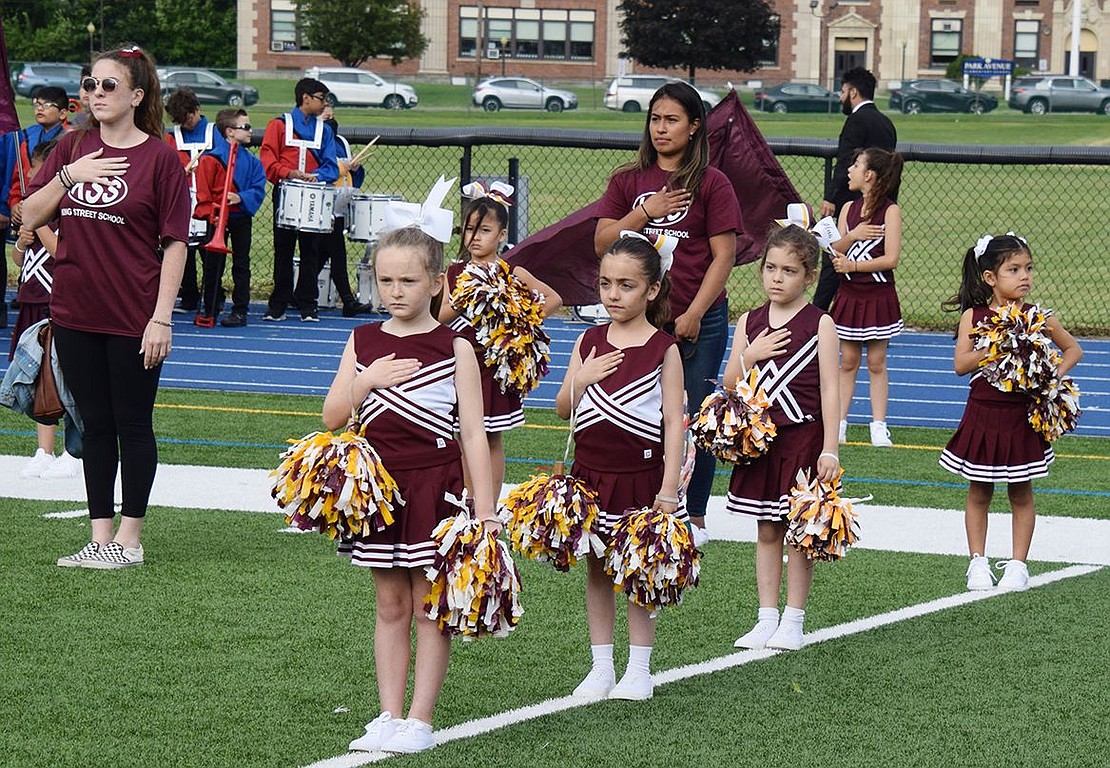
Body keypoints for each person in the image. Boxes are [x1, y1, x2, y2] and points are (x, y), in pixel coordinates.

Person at [325, 224, 498, 755]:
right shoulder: (363, 340)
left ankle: (420, 718)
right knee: (389, 605)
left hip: (437, 488)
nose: (395, 291)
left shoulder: (456, 347)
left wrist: (486, 511)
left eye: (407, 280)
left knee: (429, 606)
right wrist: (365, 381)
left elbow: (473, 432)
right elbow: (333, 417)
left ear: (438, 282)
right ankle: (387, 713)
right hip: (380, 492)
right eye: (385, 280)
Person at [22, 44, 191, 569]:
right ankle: (101, 538)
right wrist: (71, 180)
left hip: (135, 316)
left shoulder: (162, 158)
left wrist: (161, 317)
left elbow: (175, 244)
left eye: (108, 85)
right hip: (74, 310)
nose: (95, 93)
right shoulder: (72, 147)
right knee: (93, 425)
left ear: (136, 95)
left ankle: (131, 540)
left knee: (133, 424)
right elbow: (29, 212)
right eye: (89, 84)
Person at [594, 81, 740, 546]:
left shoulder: (712, 183)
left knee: (694, 417)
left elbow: (724, 256)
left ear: (695, 126)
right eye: (655, 119)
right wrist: (646, 211)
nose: (661, 128)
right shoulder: (627, 180)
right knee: (642, 413)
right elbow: (602, 242)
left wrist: (695, 311)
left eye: (672, 119)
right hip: (639, 322)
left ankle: (693, 514)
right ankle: (647, 501)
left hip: (698, 319)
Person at [555, 233, 685, 702]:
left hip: (642, 478)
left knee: (640, 572)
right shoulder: (589, 340)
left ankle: (639, 668)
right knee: (597, 569)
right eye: (606, 284)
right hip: (590, 477)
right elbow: (562, 409)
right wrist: (580, 379)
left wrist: (669, 489)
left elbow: (675, 423)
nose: (613, 294)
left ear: (652, 290)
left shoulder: (663, 348)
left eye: (626, 285)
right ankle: (601, 666)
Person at [938, 233, 1082, 592]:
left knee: (1021, 491)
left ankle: (1018, 565)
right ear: (990, 277)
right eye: (1014, 269)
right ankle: (978, 563)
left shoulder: (1036, 316)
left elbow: (1073, 350)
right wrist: (999, 344)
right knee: (979, 491)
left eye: (1028, 268)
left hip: (1021, 417)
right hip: (984, 414)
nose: (1024, 276)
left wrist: (1052, 378)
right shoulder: (975, 316)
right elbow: (960, 364)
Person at [724, 223, 840, 651]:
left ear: (809, 276)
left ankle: (794, 618)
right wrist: (749, 354)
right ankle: (766, 615)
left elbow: (831, 388)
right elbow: (731, 384)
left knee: (800, 530)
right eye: (770, 268)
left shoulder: (820, 323)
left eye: (789, 271)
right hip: (760, 442)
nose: (776, 278)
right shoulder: (749, 322)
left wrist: (831, 447)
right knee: (767, 529)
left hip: (803, 439)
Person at [439, 182, 562, 494]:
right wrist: (465, 297)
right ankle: (466, 500)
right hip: (459, 365)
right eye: (469, 229)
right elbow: (440, 318)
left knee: (490, 436)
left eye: (484, 230)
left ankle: (488, 503)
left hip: (492, 368)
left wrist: (518, 323)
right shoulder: (455, 274)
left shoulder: (512, 272)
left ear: (502, 235)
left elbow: (553, 299)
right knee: (460, 434)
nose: (475, 237)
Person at [9, 138, 81, 479]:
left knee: (65, 375)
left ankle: (74, 450)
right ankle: (44, 449)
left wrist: (37, 223)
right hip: (31, 301)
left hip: (58, 300)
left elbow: (59, 252)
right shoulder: (35, 213)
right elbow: (19, 261)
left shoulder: (62, 212)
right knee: (39, 378)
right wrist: (22, 241)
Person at [828, 148, 904, 447]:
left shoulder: (890, 211)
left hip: (877, 294)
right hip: (849, 294)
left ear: (869, 175)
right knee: (847, 360)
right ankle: (840, 423)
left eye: (855, 165)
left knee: (876, 361)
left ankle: (878, 425)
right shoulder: (847, 209)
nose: (849, 170)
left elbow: (892, 259)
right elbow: (835, 248)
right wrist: (854, 235)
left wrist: (854, 266)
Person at [815, 67, 897, 311]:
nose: (840, 97)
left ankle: (817, 315)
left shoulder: (856, 120)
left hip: (851, 204)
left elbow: (844, 161)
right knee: (871, 257)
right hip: (880, 205)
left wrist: (830, 197)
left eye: (842, 91)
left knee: (833, 262)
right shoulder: (887, 123)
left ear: (853, 92)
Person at [260, 77, 339, 322]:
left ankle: (308, 303)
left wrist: (316, 177)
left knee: (310, 250)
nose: (324, 104)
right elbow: (267, 159)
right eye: (320, 98)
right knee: (283, 249)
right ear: (306, 98)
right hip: (286, 193)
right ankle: (278, 304)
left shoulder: (324, 130)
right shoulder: (279, 125)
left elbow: (332, 167)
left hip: (313, 195)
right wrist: (289, 173)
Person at [193, 108, 267, 327]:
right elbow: (203, 195)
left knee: (241, 263)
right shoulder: (211, 159)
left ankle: (240, 309)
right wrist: (212, 213)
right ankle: (211, 306)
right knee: (212, 265)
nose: (250, 130)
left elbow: (258, 187)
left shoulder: (252, 162)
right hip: (216, 218)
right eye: (245, 127)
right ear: (229, 132)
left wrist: (241, 197)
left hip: (240, 216)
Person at [3, 86, 70, 328]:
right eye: (36, 103)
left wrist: (38, 217)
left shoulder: (72, 139)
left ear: (63, 112)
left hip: (55, 215)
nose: (39, 108)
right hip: (30, 216)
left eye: (47, 104)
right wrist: (15, 205)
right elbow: (18, 179)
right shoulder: (25, 138)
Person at [165, 88, 221, 315]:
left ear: (197, 110)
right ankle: (188, 296)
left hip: (209, 202)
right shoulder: (172, 137)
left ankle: (213, 299)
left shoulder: (213, 132)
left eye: (188, 118)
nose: (185, 125)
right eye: (180, 121)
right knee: (182, 250)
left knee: (209, 254)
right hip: (181, 201)